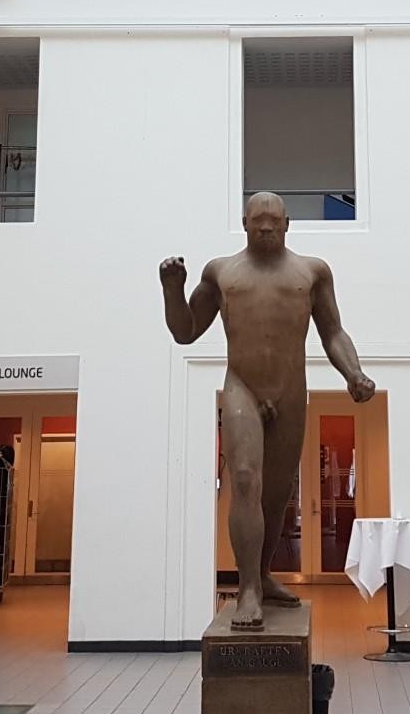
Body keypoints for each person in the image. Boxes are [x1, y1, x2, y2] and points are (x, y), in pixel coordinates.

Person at [160, 191, 374, 630]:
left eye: (273, 220)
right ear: (243, 222)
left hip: (291, 389)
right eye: (257, 220)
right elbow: (185, 332)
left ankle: (263, 573)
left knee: (276, 497)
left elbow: (332, 331)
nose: (265, 227)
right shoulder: (221, 272)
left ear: (288, 222)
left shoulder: (312, 272)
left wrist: (354, 373)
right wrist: (172, 290)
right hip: (242, 386)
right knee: (243, 480)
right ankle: (248, 590)